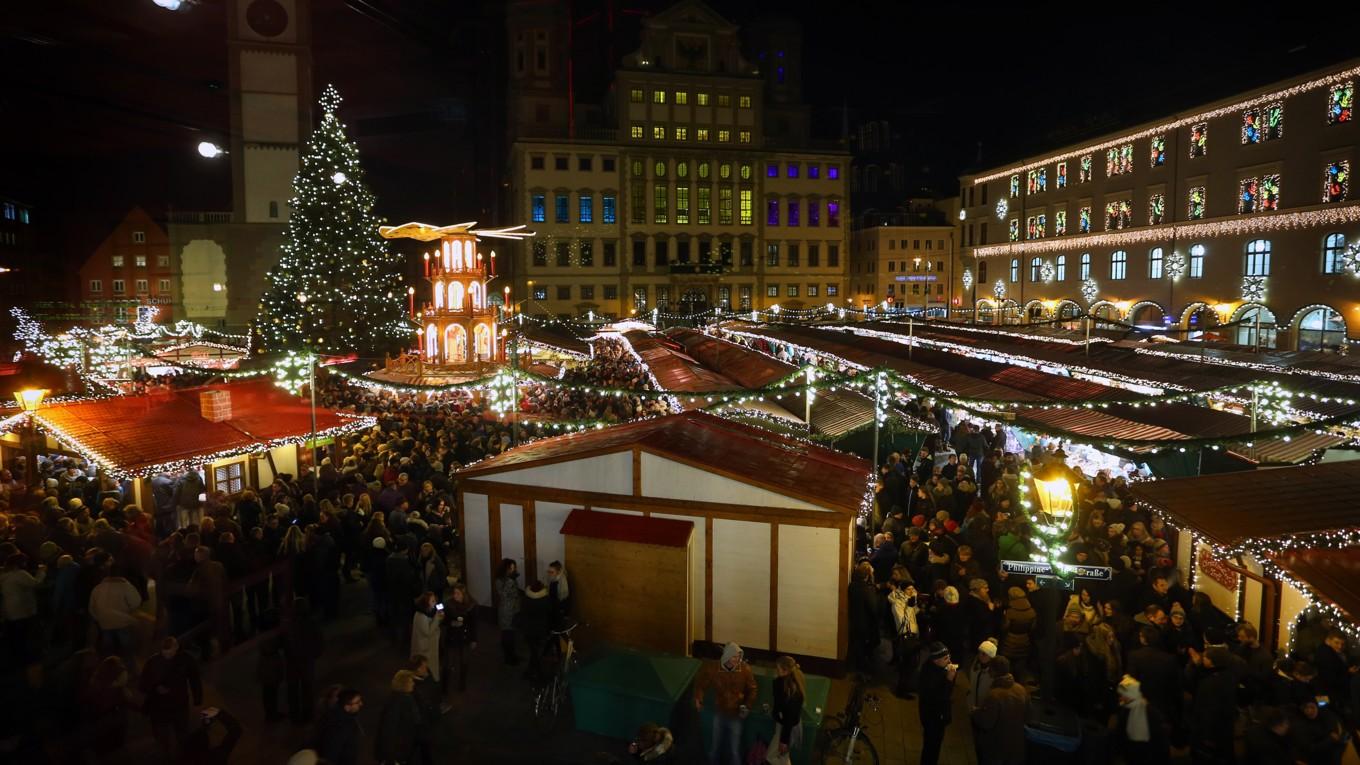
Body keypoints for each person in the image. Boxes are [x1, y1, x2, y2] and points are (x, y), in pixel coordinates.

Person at [693, 641, 757, 765]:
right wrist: (698, 699)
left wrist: (747, 706)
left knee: (735, 751)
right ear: (727, 656)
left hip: (736, 715)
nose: (737, 659)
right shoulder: (714, 668)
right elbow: (701, 684)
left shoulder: (745, 669)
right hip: (720, 712)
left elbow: (753, 688)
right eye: (734, 656)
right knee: (715, 748)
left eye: (739, 657)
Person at [139, 636, 204, 758]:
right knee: (162, 735)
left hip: (179, 704)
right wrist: (156, 688)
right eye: (165, 654)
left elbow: (195, 679)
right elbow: (143, 684)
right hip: (159, 706)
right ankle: (166, 756)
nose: (167, 656)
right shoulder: (153, 661)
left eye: (170, 653)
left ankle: (183, 756)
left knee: (182, 732)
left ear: (176, 648)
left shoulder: (186, 660)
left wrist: (197, 699)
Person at [971, 656, 1028, 765]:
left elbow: (986, 723)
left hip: (997, 748)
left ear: (993, 671)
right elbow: (1028, 716)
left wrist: (975, 712)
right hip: (1016, 747)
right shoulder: (1021, 689)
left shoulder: (994, 695)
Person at [918, 642, 958, 765]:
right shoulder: (931, 676)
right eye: (945, 658)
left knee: (932, 745)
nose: (949, 660)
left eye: (949, 656)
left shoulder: (935, 668)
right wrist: (949, 680)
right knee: (932, 746)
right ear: (936, 660)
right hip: (933, 718)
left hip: (932, 716)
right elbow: (942, 697)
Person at [1114, 676, 1168, 764]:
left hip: (1148, 758)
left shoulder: (1150, 713)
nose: (1120, 698)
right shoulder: (1126, 710)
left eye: (1122, 695)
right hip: (1133, 757)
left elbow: (1160, 743)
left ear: (1130, 695)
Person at [375, 670, 423, 765]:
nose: (413, 684)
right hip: (398, 753)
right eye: (411, 681)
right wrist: (392, 758)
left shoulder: (404, 698)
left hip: (405, 749)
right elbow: (389, 730)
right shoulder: (398, 702)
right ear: (403, 684)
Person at [767, 655, 805, 765]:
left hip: (786, 726)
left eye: (778, 669)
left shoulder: (787, 689)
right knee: (783, 756)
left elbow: (789, 716)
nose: (776, 671)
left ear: (785, 670)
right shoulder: (796, 682)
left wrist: (784, 740)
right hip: (791, 724)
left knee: (771, 756)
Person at [176, 706, 243, 765]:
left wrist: (205, 726)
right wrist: (219, 713)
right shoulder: (214, 758)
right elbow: (235, 731)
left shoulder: (184, 759)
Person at [442, 582, 477, 694]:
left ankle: (462, 683)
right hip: (452, 636)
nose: (455, 596)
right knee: (448, 662)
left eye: (458, 593)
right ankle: (444, 687)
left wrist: (474, 639)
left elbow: (474, 624)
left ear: (463, 594)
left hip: (465, 637)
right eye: (454, 593)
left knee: (464, 661)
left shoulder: (471, 606)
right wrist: (451, 623)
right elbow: (443, 620)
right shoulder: (448, 604)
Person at [317, 688, 364, 765]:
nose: (361, 704)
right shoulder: (340, 727)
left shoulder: (345, 717)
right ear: (347, 707)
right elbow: (331, 753)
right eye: (357, 702)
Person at [410, 591, 443, 683]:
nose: (435, 603)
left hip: (426, 646)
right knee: (427, 668)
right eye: (432, 601)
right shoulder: (422, 616)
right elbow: (427, 632)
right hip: (425, 648)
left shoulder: (425, 612)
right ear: (426, 602)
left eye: (434, 600)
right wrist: (437, 618)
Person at [494, 558, 522, 665]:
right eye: (511, 568)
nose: (513, 570)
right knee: (507, 635)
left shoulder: (510, 579)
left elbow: (514, 592)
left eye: (514, 568)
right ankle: (508, 658)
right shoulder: (500, 580)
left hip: (513, 610)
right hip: (506, 612)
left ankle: (512, 656)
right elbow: (504, 595)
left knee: (511, 635)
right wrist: (511, 580)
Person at [547, 560, 571, 629]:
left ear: (558, 572)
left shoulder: (562, 583)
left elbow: (563, 600)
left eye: (551, 572)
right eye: (548, 571)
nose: (549, 574)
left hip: (559, 610)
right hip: (553, 607)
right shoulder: (553, 580)